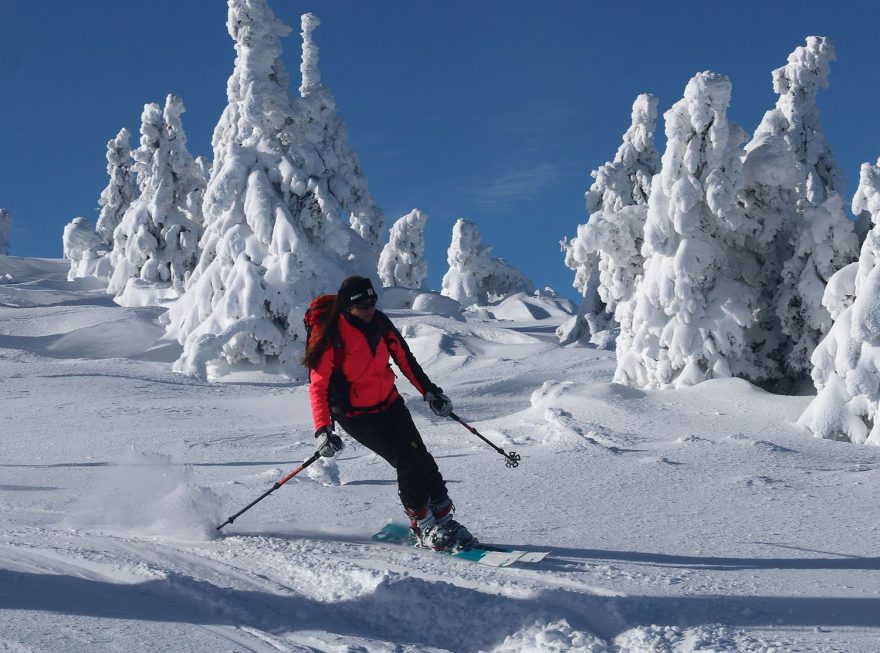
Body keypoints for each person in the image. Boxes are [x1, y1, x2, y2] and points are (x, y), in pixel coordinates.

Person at [303, 276, 476, 551]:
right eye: (363, 305)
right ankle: (423, 526)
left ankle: (444, 519)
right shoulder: (331, 336)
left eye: (373, 302)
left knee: (421, 457)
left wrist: (430, 392)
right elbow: (318, 386)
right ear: (348, 307)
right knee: (406, 462)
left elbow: (405, 360)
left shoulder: (380, 324)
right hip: (356, 414)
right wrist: (324, 429)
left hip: (390, 403)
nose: (370, 309)